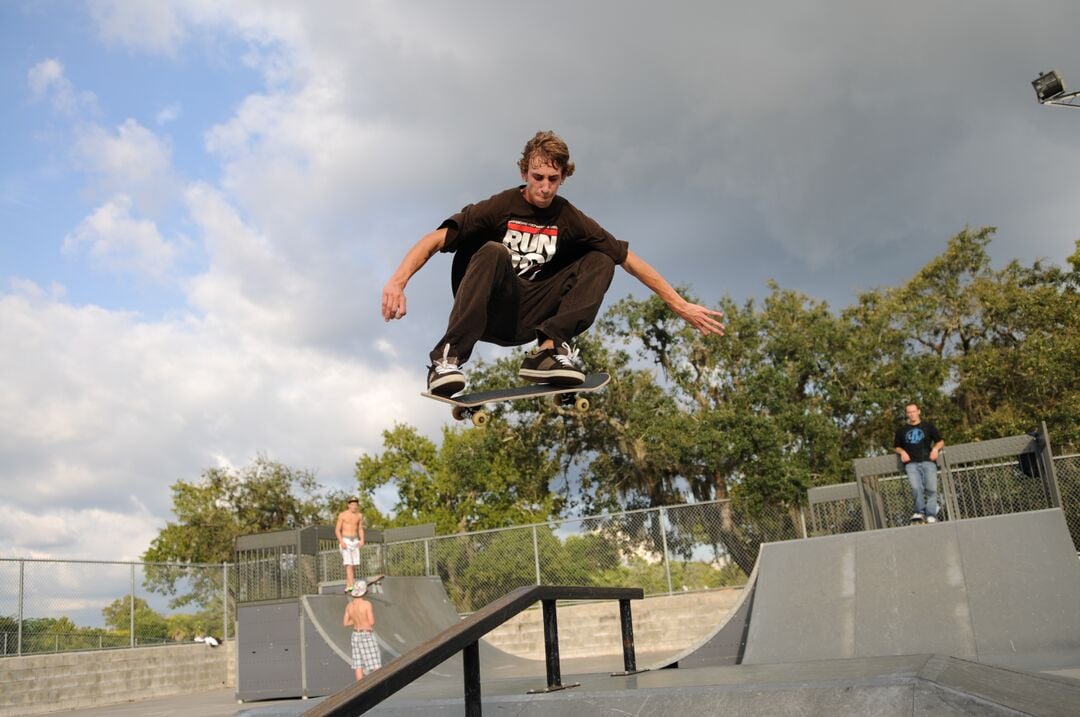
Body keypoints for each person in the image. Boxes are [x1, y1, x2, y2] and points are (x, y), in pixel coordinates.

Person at [381, 130, 727, 396]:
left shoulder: (569, 217)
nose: (545, 188)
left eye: (553, 179)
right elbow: (435, 239)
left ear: (563, 177)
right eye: (538, 178)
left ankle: (547, 351)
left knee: (603, 257)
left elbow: (628, 260)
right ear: (524, 173)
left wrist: (679, 304)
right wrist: (398, 281)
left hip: (530, 318)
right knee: (493, 251)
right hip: (489, 309)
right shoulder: (498, 207)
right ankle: (447, 359)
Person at [894, 403, 945, 523]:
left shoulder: (928, 426)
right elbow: (896, 447)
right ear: (907, 414)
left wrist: (935, 449)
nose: (912, 414)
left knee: (931, 489)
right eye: (909, 412)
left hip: (928, 461)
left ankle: (931, 514)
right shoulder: (901, 431)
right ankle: (920, 512)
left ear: (919, 411)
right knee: (916, 488)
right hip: (911, 464)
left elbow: (940, 441)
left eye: (914, 411)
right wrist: (902, 452)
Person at [343, 581, 380, 680]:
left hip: (355, 635)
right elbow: (371, 622)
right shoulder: (367, 604)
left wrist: (355, 620)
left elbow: (345, 623)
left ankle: (360, 686)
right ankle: (378, 684)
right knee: (374, 663)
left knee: (358, 663)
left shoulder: (349, 606)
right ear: (364, 592)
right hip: (366, 634)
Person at [335, 498, 365, 591]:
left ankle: (348, 586)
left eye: (356, 505)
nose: (354, 506)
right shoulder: (343, 515)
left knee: (354, 564)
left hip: (355, 540)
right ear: (348, 505)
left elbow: (360, 528)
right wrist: (341, 541)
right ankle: (353, 585)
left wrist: (362, 539)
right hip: (346, 540)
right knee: (349, 564)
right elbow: (337, 530)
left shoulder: (359, 516)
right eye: (352, 504)